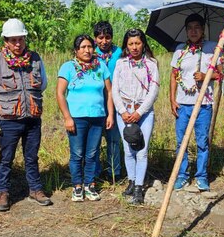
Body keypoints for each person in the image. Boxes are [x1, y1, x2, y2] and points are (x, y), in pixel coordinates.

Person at [0, 18, 53, 212]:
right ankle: (3, 193)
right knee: (6, 158)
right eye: (13, 40)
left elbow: (43, 84)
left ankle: (35, 189)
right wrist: (5, 105)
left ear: (25, 39)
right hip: (8, 120)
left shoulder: (36, 59)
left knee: (31, 156)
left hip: (32, 118)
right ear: (5, 41)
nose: (17, 44)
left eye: (20, 39)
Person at [57, 34, 114, 202]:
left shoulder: (100, 66)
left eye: (89, 47)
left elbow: (109, 92)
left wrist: (110, 114)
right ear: (76, 50)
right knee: (77, 154)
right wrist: (67, 117)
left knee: (92, 154)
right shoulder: (68, 67)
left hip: (97, 117)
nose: (87, 50)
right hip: (76, 118)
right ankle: (77, 186)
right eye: (83, 47)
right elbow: (60, 94)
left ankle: (90, 184)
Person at [169, 13, 220, 191]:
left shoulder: (212, 48)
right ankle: (182, 175)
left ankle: (201, 176)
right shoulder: (180, 50)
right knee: (181, 141)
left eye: (197, 27)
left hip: (204, 104)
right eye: (190, 28)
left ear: (203, 30)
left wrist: (207, 76)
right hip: (183, 104)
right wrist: (172, 99)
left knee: (202, 142)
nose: (193, 31)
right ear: (186, 30)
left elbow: (220, 73)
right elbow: (174, 76)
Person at [112, 29, 159, 204]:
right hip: (123, 112)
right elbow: (115, 90)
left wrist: (139, 113)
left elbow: (153, 90)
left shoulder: (152, 64)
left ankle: (139, 187)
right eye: (130, 44)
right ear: (126, 45)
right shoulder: (121, 63)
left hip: (144, 113)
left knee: (142, 151)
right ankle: (131, 181)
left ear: (143, 44)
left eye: (137, 43)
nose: (134, 47)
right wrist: (123, 112)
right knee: (128, 150)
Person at [93, 21, 123, 182]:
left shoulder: (120, 53)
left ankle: (114, 171)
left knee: (113, 139)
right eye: (100, 37)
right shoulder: (91, 54)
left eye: (108, 37)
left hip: (116, 102)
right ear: (95, 38)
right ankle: (95, 171)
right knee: (95, 139)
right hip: (96, 102)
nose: (104, 41)